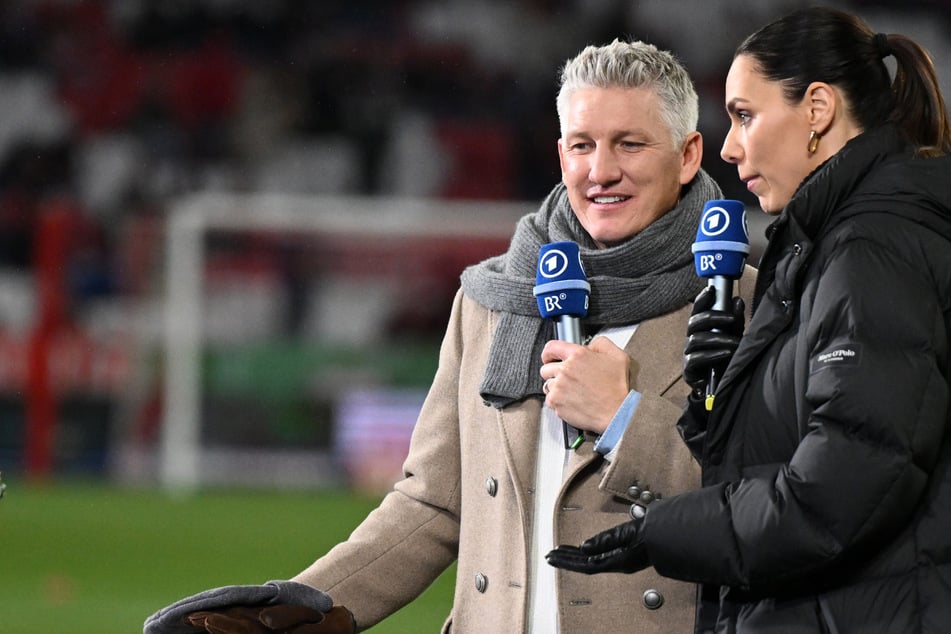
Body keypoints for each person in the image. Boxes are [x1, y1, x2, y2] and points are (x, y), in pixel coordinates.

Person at [145, 39, 755, 634]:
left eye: (630, 144)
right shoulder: (489, 302)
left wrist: (623, 420)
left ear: (687, 154)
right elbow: (433, 504)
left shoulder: (745, 302)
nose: (601, 171)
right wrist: (303, 606)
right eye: (582, 145)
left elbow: (766, 510)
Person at [547, 6, 951, 633]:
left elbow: (838, 497)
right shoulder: (829, 247)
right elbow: (813, 451)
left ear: (817, 110)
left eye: (744, 115)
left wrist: (666, 533)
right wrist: (721, 410)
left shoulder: (872, 250)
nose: (730, 147)